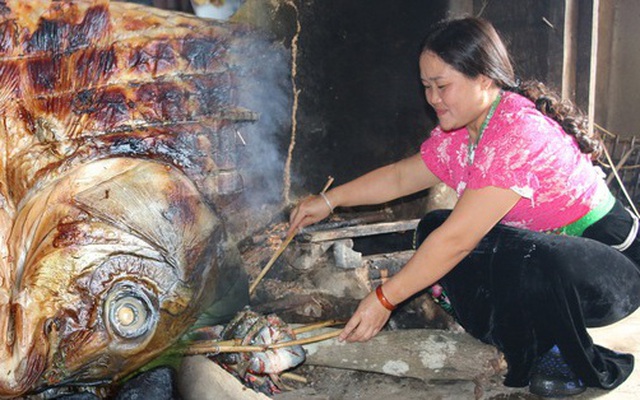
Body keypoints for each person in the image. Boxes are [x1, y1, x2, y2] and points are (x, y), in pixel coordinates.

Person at [288, 16, 640, 398]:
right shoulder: (462, 133)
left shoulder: (515, 133)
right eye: (426, 87)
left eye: (442, 86)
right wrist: (329, 199)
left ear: (484, 79)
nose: (433, 99)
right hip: (552, 258)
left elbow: (458, 240)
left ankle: (565, 354)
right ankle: (525, 339)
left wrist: (385, 299)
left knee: (512, 254)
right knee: (434, 227)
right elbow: (400, 178)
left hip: (614, 268)